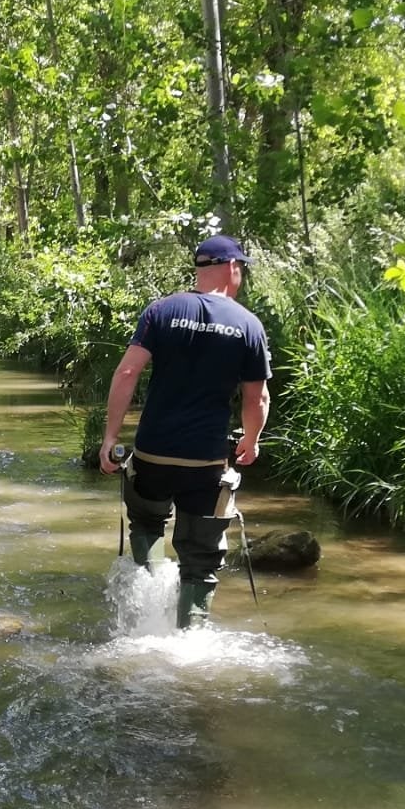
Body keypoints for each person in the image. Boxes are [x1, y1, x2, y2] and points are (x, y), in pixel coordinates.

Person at [98, 234, 271, 628]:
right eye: (240, 268)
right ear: (232, 268)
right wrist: (251, 439)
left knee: (147, 522)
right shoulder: (249, 325)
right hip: (206, 459)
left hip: (153, 453)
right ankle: (188, 639)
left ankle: (143, 618)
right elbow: (256, 398)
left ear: (199, 270)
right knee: (200, 558)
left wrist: (110, 437)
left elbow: (127, 372)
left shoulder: (162, 310)